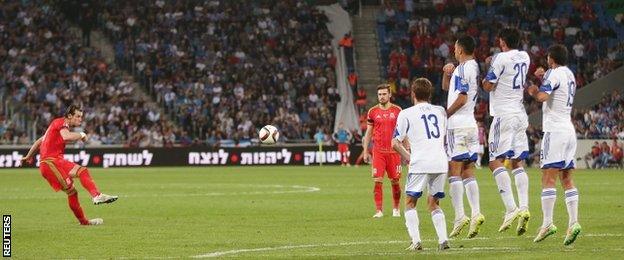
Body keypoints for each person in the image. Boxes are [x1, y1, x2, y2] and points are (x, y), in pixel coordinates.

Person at [21, 105, 118, 225]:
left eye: (81, 117)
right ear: (69, 116)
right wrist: (81, 134)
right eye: (77, 116)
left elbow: (38, 141)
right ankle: (85, 221)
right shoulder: (61, 123)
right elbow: (66, 136)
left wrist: (28, 156)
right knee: (72, 192)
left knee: (82, 171)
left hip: (56, 161)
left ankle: (96, 196)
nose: (80, 119)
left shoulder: (54, 126)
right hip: (50, 163)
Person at [527, 44, 581, 245]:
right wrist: (544, 77)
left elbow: (543, 96)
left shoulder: (554, 74)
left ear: (551, 58)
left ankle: (548, 223)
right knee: (567, 179)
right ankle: (574, 222)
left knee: (548, 178)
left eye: (547, 58)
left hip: (555, 131)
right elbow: (556, 90)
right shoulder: (569, 74)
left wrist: (534, 90)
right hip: (568, 130)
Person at [482, 28, 531, 235]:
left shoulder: (500, 58)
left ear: (502, 41)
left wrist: (489, 68)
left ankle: (511, 208)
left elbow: (488, 86)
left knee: (494, 161)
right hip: (520, 113)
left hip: (504, 114)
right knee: (518, 161)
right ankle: (524, 206)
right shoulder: (526, 56)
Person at [392, 78, 450, 251]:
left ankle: (416, 241)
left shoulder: (406, 113)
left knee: (410, 202)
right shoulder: (441, 111)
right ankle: (443, 240)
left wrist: (409, 156)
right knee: (434, 203)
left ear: (413, 93)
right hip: (440, 161)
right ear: (430, 93)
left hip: (420, 162)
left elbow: (395, 143)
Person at [441, 35, 484, 239]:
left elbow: (462, 97)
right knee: (468, 170)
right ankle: (475, 213)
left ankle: (460, 216)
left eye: (455, 47)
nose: (453, 50)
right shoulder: (468, 67)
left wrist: (445, 114)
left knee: (454, 171)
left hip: (457, 124)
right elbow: (447, 88)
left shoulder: (466, 68)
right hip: (470, 124)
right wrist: (446, 74)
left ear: (460, 49)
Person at [362, 84, 403, 218]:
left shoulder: (398, 110)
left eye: (384, 94)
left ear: (389, 94)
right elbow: (368, 133)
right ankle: (379, 210)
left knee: (395, 181)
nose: (382, 96)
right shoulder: (372, 112)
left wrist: (407, 149)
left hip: (394, 151)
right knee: (377, 180)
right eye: (379, 94)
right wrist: (365, 151)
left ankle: (396, 209)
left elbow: (404, 131)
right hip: (378, 152)